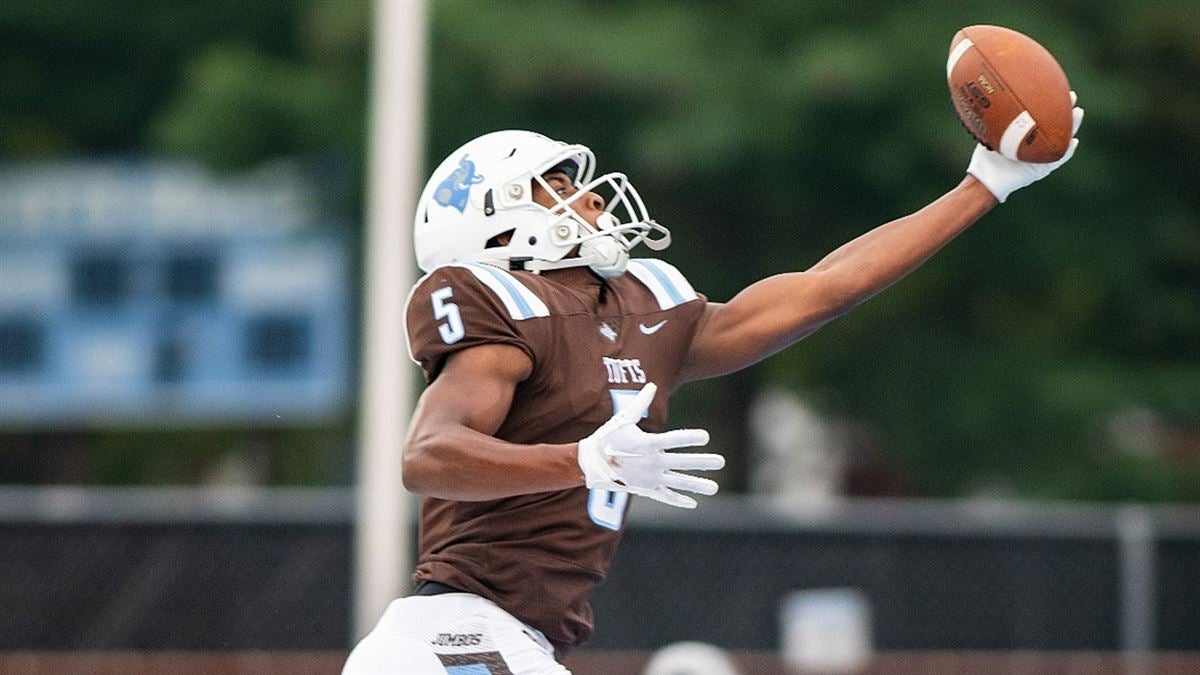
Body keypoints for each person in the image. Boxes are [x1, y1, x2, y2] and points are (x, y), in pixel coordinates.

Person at [343, 97, 1084, 673]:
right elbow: (428, 453)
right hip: (451, 637)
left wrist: (985, 183)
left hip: (514, 641)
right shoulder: (500, 303)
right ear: (501, 229)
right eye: (558, 188)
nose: (592, 199)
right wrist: (581, 460)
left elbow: (824, 289)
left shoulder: (648, 307)